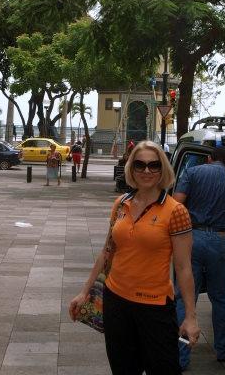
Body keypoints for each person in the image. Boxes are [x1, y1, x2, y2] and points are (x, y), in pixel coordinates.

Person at [69, 140, 200, 375]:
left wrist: (190, 317)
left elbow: (183, 268)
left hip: (154, 306)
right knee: (123, 369)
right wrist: (84, 291)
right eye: (140, 165)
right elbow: (107, 251)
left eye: (154, 165)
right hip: (116, 301)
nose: (147, 171)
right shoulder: (121, 204)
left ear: (163, 169)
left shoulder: (176, 211)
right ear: (131, 168)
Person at [173, 145, 225, 368]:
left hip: (191, 237)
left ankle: (180, 357)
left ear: (209, 158)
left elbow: (176, 203)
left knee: (185, 297)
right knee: (222, 298)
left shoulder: (192, 172)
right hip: (221, 239)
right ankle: (224, 349)